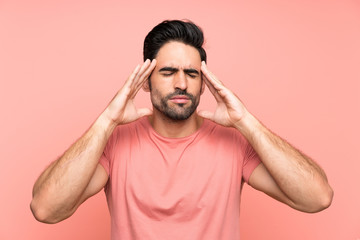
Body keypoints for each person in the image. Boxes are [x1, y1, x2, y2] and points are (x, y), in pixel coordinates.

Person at [30, 20, 333, 239]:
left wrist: (246, 121)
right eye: (168, 72)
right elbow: (46, 209)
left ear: (203, 83)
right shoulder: (114, 142)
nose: (181, 83)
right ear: (146, 81)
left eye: (191, 73)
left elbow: (317, 198)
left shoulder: (234, 143)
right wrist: (106, 121)